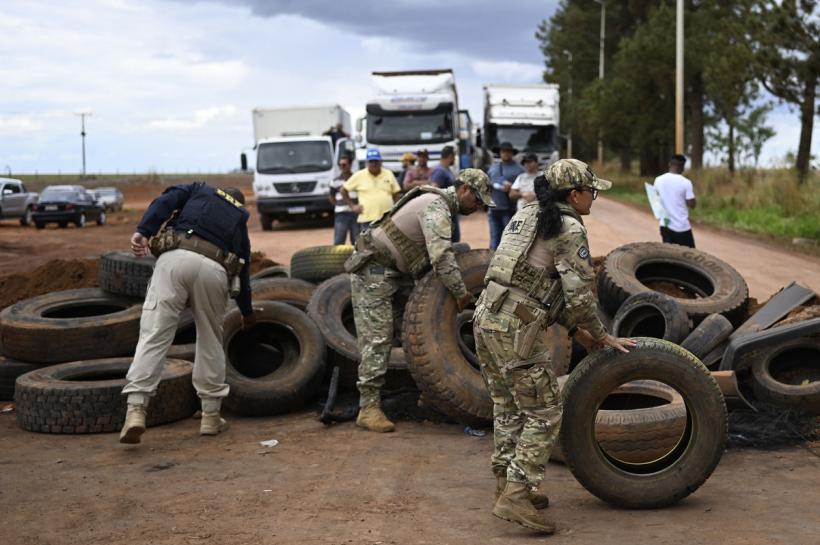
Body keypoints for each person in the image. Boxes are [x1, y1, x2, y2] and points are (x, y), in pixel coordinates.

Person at [473, 159, 636, 533]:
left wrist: (578, 330)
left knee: (509, 405)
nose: (593, 198)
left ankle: (506, 483)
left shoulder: (528, 214)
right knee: (545, 412)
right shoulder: (569, 227)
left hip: (485, 318)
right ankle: (516, 494)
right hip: (515, 327)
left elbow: (537, 282)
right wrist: (600, 334)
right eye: (590, 191)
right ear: (574, 194)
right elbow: (578, 297)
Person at [346, 169, 495, 433]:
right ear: (464, 190)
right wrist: (461, 293)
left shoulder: (437, 204)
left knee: (416, 331)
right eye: (478, 201)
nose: (479, 207)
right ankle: (368, 408)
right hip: (375, 270)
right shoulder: (436, 208)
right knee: (378, 337)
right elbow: (441, 257)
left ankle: (428, 395)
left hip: (396, 272)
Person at [119, 183, 254, 444]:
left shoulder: (198, 189)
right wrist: (247, 311)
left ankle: (136, 410)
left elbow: (164, 202)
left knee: (154, 335)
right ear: (238, 203)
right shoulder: (239, 217)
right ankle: (211, 417)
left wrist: (144, 231)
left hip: (175, 259)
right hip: (214, 269)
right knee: (210, 340)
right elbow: (244, 268)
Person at [341, 148, 401, 231]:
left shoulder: (388, 173)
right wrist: (353, 206)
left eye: (376, 161)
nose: (374, 164)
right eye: (371, 161)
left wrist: (396, 210)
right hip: (367, 219)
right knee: (368, 243)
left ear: (380, 162)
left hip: (387, 219)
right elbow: (343, 190)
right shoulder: (359, 175)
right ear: (367, 163)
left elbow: (396, 193)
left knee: (389, 243)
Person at [487, 142, 524, 249]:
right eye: (503, 151)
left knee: (509, 239)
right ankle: (492, 263)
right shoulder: (493, 168)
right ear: (500, 153)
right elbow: (487, 183)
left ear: (512, 153)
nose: (506, 153)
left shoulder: (520, 170)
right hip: (493, 209)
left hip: (509, 210)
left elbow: (523, 187)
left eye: (508, 151)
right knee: (494, 239)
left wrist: (512, 188)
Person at [654, 154, 696, 248]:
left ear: (670, 164)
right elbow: (691, 204)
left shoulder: (658, 180)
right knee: (690, 257)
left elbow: (656, 200)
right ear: (682, 166)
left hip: (665, 224)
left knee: (670, 256)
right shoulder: (686, 182)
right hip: (682, 227)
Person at [428, 146, 461, 242]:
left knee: (455, 240)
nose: (454, 159)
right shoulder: (439, 171)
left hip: (451, 211)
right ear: (450, 156)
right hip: (445, 213)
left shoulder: (446, 169)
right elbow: (433, 190)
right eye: (454, 156)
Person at [329, 154, 359, 244]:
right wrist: (340, 205)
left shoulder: (357, 179)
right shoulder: (334, 181)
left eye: (344, 165)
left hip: (355, 214)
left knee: (357, 242)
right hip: (341, 214)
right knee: (338, 241)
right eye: (340, 165)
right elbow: (331, 197)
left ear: (350, 165)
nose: (342, 167)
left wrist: (355, 206)